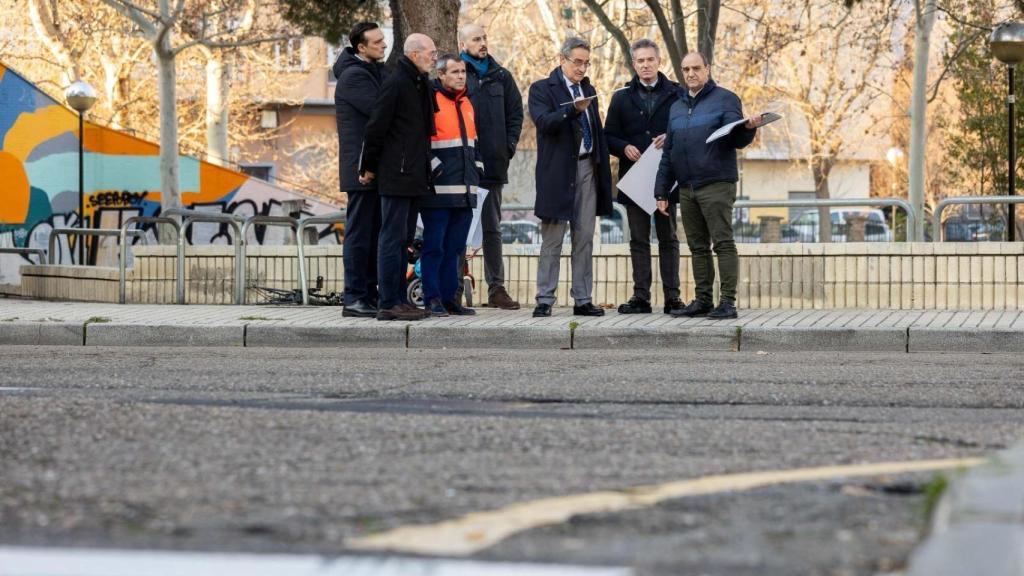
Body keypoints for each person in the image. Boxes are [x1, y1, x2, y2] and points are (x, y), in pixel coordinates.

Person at [654, 52, 765, 319]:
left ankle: (727, 302)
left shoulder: (726, 99)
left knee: (722, 243)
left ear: (708, 69)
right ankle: (703, 300)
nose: (691, 74)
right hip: (686, 187)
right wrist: (661, 190)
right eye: (685, 69)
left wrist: (749, 128)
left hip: (716, 183)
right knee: (697, 246)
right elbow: (669, 152)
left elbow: (735, 138)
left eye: (696, 68)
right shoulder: (677, 107)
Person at [528, 37, 613, 318]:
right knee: (552, 239)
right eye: (577, 62)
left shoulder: (589, 90)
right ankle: (544, 299)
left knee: (584, 237)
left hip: (588, 169)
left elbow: (596, 131)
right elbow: (544, 123)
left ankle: (583, 299)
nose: (582, 68)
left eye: (586, 63)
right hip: (557, 173)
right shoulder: (542, 89)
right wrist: (571, 110)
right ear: (562, 59)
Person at [359, 34, 438, 321]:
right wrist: (368, 166)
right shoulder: (397, 83)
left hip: (414, 173)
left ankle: (400, 299)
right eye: (431, 53)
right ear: (415, 54)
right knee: (391, 239)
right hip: (397, 173)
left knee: (403, 239)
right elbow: (375, 128)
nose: (434, 58)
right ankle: (388, 301)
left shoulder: (420, 83)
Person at [604, 38, 683, 315]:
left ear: (659, 61)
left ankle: (673, 297)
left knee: (668, 238)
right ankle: (641, 297)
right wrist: (623, 147)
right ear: (633, 64)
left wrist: (670, 136)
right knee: (638, 239)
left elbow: (686, 128)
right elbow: (608, 135)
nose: (646, 65)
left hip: (666, 177)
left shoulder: (677, 93)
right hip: (634, 178)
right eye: (640, 61)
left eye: (650, 59)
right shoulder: (621, 97)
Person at [456, 24, 524, 310]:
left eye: (484, 38)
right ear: (463, 43)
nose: (483, 43)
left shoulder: (501, 76)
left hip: (494, 164)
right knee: (458, 227)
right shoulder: (457, 73)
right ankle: (454, 288)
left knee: (492, 229)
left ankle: (497, 289)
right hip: (462, 165)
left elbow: (516, 114)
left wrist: (507, 147)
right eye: (476, 39)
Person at [419, 54, 481, 317]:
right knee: (435, 247)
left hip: (465, 190)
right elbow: (420, 141)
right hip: (438, 190)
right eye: (455, 72)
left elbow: (474, 143)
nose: (460, 76)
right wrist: (435, 168)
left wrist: (478, 169)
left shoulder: (467, 103)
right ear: (441, 74)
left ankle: (449, 299)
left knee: (456, 249)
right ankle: (432, 298)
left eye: (463, 71)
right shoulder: (430, 100)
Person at [334, 22, 388, 318]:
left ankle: (369, 293)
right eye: (377, 42)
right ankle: (355, 297)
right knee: (360, 234)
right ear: (361, 47)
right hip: (361, 169)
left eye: (383, 40)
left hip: (374, 166)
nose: (384, 45)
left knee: (373, 233)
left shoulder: (375, 71)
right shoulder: (354, 76)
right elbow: (382, 111)